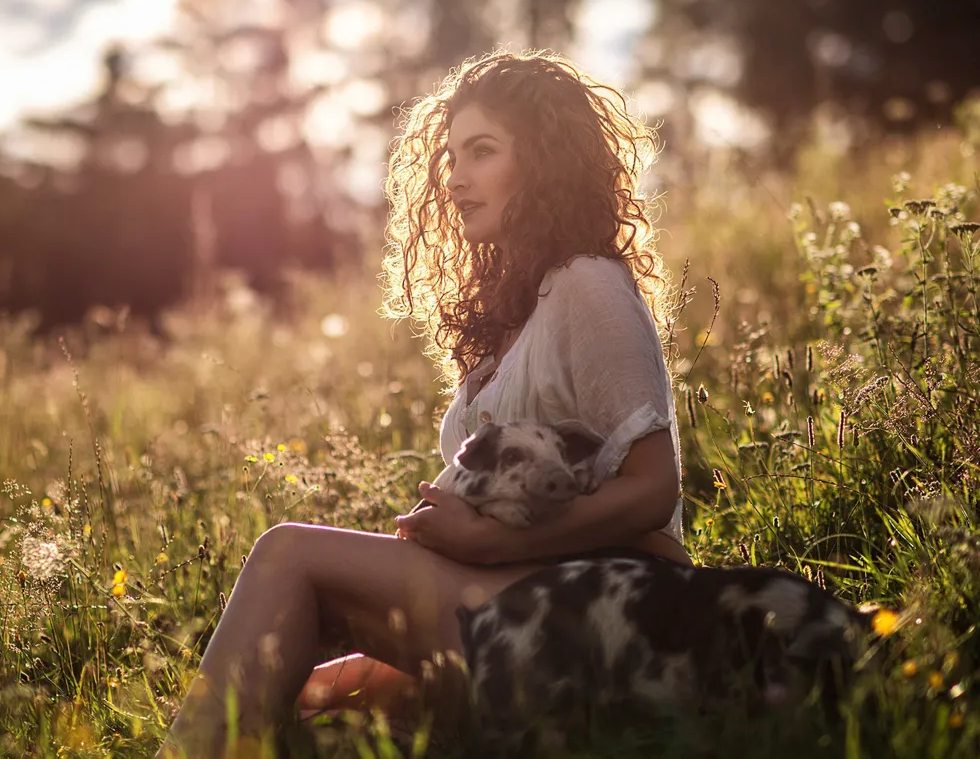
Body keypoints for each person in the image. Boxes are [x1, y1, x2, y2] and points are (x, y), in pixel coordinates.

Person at [155, 49, 692, 758]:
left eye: (481, 152)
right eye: (451, 156)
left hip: (611, 615)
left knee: (287, 554)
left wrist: (492, 541)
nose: (457, 178)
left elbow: (656, 491)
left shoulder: (586, 286)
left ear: (543, 161)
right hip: (509, 597)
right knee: (314, 707)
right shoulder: (516, 319)